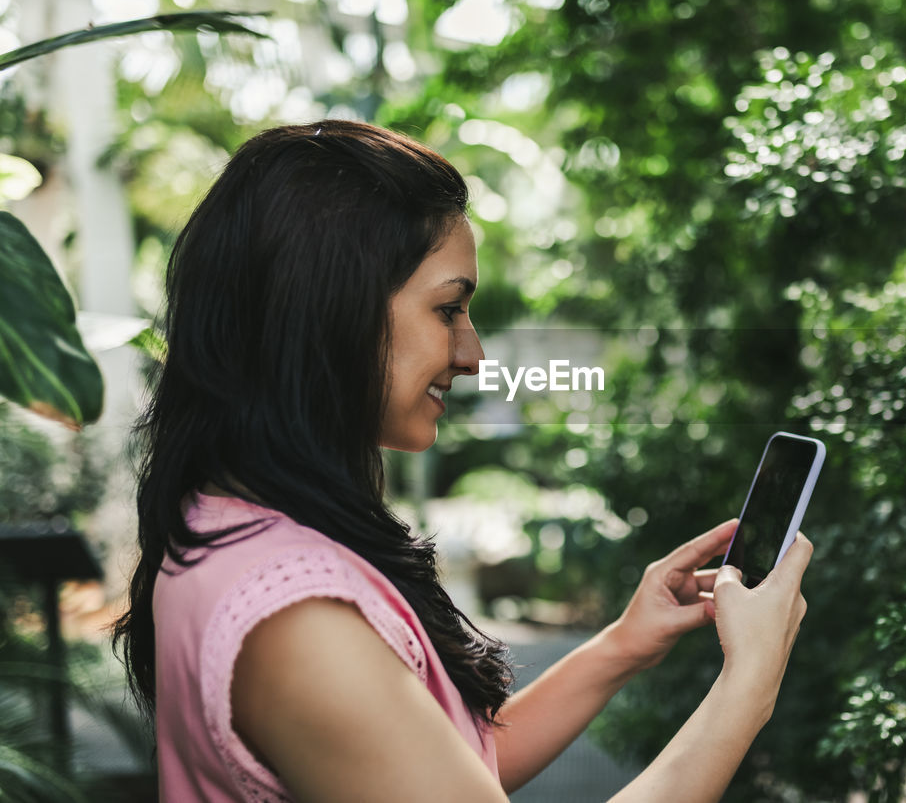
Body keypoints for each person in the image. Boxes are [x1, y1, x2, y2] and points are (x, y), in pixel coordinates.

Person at [113, 120, 811, 802]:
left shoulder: (226, 522)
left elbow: (438, 770)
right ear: (330, 311)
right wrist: (750, 685)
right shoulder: (299, 622)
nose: (473, 354)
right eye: (448, 309)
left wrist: (622, 645)